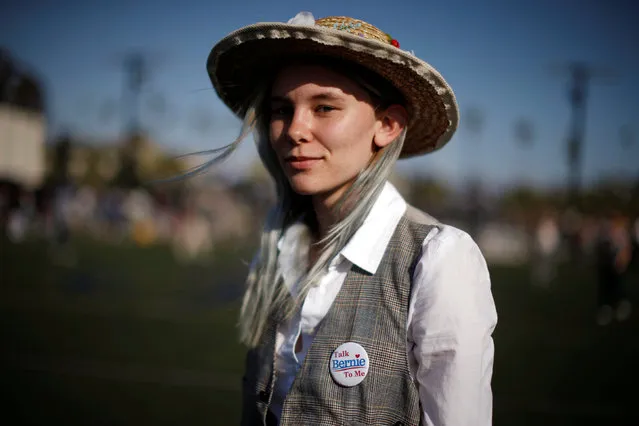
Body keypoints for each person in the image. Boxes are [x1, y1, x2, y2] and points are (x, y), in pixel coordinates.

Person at [203, 12, 497, 425]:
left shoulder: (437, 259)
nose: (294, 130)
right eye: (280, 109)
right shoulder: (277, 252)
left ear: (388, 125)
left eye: (324, 107)